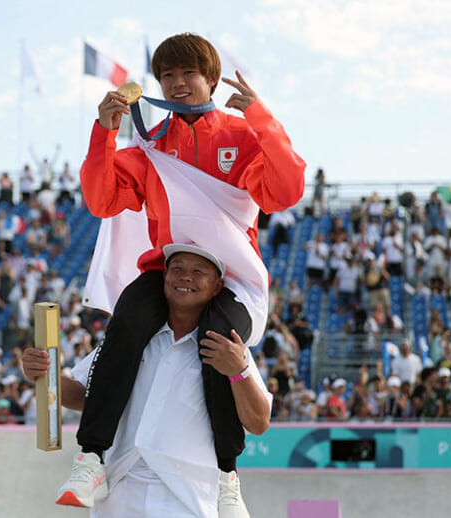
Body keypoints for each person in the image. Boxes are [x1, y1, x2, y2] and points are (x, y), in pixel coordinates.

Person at [76, 33, 303, 515]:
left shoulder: (241, 138)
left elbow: (284, 192)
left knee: (219, 340)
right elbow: (102, 200)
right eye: (168, 75)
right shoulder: (151, 146)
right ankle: (91, 457)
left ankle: (226, 473)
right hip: (168, 272)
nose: (177, 83)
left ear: (212, 80)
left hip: (232, 279)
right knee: (127, 322)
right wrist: (104, 132)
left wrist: (261, 119)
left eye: (188, 74)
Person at [23, 244, 272, 517]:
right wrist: (43, 375)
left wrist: (239, 370)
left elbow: (258, 422)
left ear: (216, 287)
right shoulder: (129, 340)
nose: (185, 277)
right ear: (163, 277)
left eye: (198, 271)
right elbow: (82, 395)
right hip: (118, 494)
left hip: (188, 499)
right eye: (177, 268)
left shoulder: (230, 349)